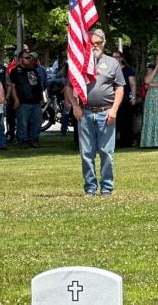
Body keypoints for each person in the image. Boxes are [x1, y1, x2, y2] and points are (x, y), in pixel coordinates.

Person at [65, 29, 125, 197]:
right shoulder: (78, 63)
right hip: (84, 113)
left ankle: (107, 188)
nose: (94, 47)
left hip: (106, 113)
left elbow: (120, 87)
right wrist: (75, 107)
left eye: (98, 43)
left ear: (103, 44)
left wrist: (114, 109)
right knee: (86, 153)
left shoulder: (113, 63)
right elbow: (69, 88)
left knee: (107, 153)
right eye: (91, 44)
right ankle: (90, 188)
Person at [10, 50, 44, 148]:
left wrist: (41, 98)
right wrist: (16, 100)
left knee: (37, 121)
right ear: (21, 59)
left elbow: (38, 86)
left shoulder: (34, 70)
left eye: (30, 58)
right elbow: (12, 86)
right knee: (22, 123)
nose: (29, 59)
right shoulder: (15, 71)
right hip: (23, 102)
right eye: (27, 58)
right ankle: (22, 140)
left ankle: (34, 139)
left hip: (36, 101)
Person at [112, 50, 136, 148]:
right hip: (111, 99)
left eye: (117, 57)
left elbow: (133, 84)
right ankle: (113, 142)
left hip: (125, 98)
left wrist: (133, 97)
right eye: (113, 57)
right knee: (114, 122)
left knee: (126, 121)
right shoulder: (110, 69)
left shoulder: (128, 70)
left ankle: (126, 142)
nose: (115, 59)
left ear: (121, 58)